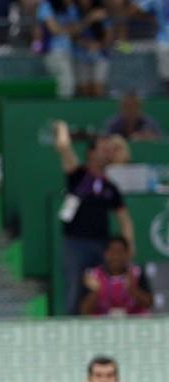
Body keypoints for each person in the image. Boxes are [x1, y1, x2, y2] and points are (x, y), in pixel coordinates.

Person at [54, 122, 133, 316]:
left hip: (101, 245)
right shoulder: (77, 174)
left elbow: (124, 219)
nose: (106, 152)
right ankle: (72, 325)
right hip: (75, 244)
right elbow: (63, 146)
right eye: (102, 148)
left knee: (101, 289)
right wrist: (62, 127)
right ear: (91, 153)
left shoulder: (110, 188)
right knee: (75, 288)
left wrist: (130, 245)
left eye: (108, 150)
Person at [80, 235, 153, 316]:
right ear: (105, 254)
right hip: (103, 322)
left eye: (120, 252)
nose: (116, 256)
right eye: (112, 252)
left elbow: (149, 304)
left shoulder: (136, 273)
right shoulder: (93, 276)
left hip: (133, 321)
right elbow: (84, 311)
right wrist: (96, 292)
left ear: (127, 254)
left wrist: (133, 290)